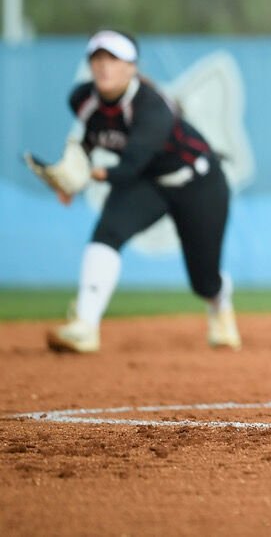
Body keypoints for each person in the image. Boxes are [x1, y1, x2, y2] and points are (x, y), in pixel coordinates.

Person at [30, 29, 241, 354]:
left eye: (112, 59)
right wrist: (71, 173)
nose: (103, 67)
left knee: (203, 280)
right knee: (107, 233)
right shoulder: (83, 99)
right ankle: (85, 326)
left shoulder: (153, 107)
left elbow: (129, 165)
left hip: (198, 183)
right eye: (96, 58)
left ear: (132, 67)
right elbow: (94, 134)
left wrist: (83, 176)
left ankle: (220, 302)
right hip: (148, 184)